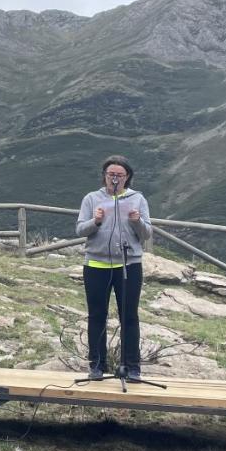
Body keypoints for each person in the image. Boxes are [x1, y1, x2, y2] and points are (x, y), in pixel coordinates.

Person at [74, 155, 153, 380]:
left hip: (129, 265)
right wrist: (95, 221)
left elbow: (147, 234)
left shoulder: (137, 198)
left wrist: (137, 221)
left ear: (127, 177)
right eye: (111, 175)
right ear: (105, 176)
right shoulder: (91, 198)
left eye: (120, 175)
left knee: (129, 316)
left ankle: (132, 367)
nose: (115, 178)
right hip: (96, 264)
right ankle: (97, 365)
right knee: (97, 315)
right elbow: (80, 230)